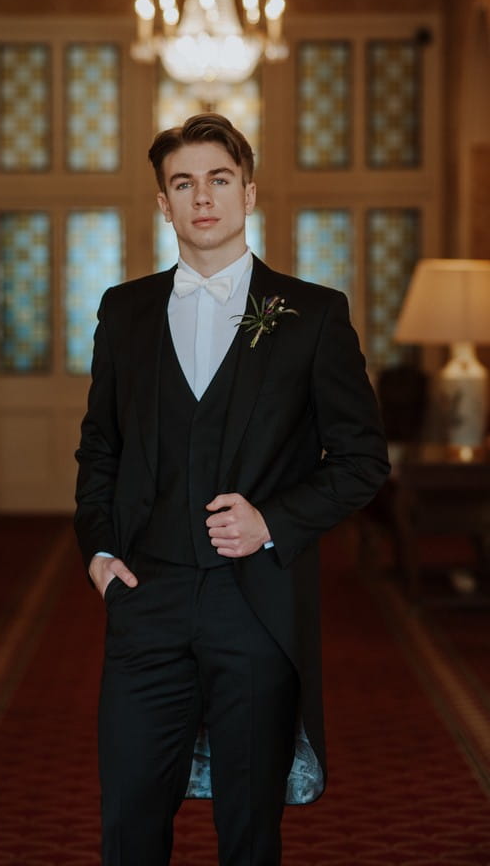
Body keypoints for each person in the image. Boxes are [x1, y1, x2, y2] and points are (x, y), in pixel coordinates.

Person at [74, 112, 389, 866]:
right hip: (144, 598)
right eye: (183, 184)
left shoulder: (312, 314)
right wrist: (98, 551)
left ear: (248, 194)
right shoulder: (124, 311)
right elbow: (99, 447)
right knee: (128, 819)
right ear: (164, 204)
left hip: (254, 605)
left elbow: (362, 460)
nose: (201, 197)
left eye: (218, 180)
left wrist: (272, 521)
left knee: (249, 829)